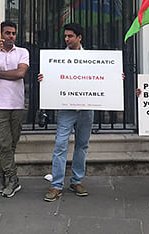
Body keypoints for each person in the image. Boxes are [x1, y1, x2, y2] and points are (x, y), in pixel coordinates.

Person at [41, 23, 93, 202]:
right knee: (60, 145)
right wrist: (44, 78)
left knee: (82, 145)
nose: (67, 39)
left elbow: (101, 77)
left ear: (79, 38)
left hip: (86, 108)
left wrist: (114, 77)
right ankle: (56, 185)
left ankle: (76, 181)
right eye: (65, 36)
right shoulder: (58, 58)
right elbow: (52, 79)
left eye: (70, 36)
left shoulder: (92, 58)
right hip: (66, 108)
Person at [0, 21, 29, 198]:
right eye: (8, 33)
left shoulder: (22, 52)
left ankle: (0, 177)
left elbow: (20, 74)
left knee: (10, 145)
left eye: (13, 33)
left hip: (16, 104)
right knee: (3, 144)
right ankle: (13, 179)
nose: (11, 36)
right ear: (1, 34)